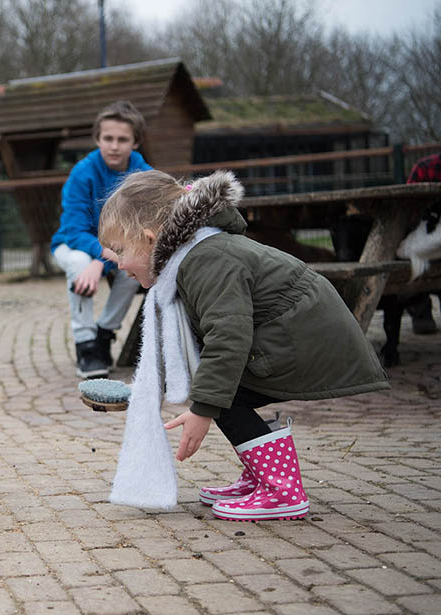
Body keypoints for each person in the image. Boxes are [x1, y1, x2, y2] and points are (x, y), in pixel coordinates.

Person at [99, 170, 388, 521]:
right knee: (217, 389)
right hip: (288, 337)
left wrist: (203, 408)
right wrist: (150, 390)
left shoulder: (206, 259)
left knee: (220, 393)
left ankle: (281, 490)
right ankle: (262, 477)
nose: (113, 259)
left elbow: (228, 337)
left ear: (148, 238)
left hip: (303, 340)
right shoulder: (192, 256)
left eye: (118, 249)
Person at [51, 101, 150, 379]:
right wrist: (98, 257)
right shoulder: (82, 173)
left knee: (135, 265)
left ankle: (104, 335)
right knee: (81, 262)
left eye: (123, 139)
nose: (114, 146)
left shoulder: (143, 176)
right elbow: (74, 230)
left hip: (116, 249)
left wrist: (105, 258)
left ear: (136, 142)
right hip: (73, 246)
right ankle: (85, 344)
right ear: (97, 139)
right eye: (108, 138)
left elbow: (140, 229)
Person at [404, 152, 441, 334]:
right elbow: (409, 206)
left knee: (408, 252)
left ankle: (420, 311)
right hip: (427, 232)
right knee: (408, 252)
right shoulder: (426, 167)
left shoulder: (425, 166)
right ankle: (420, 309)